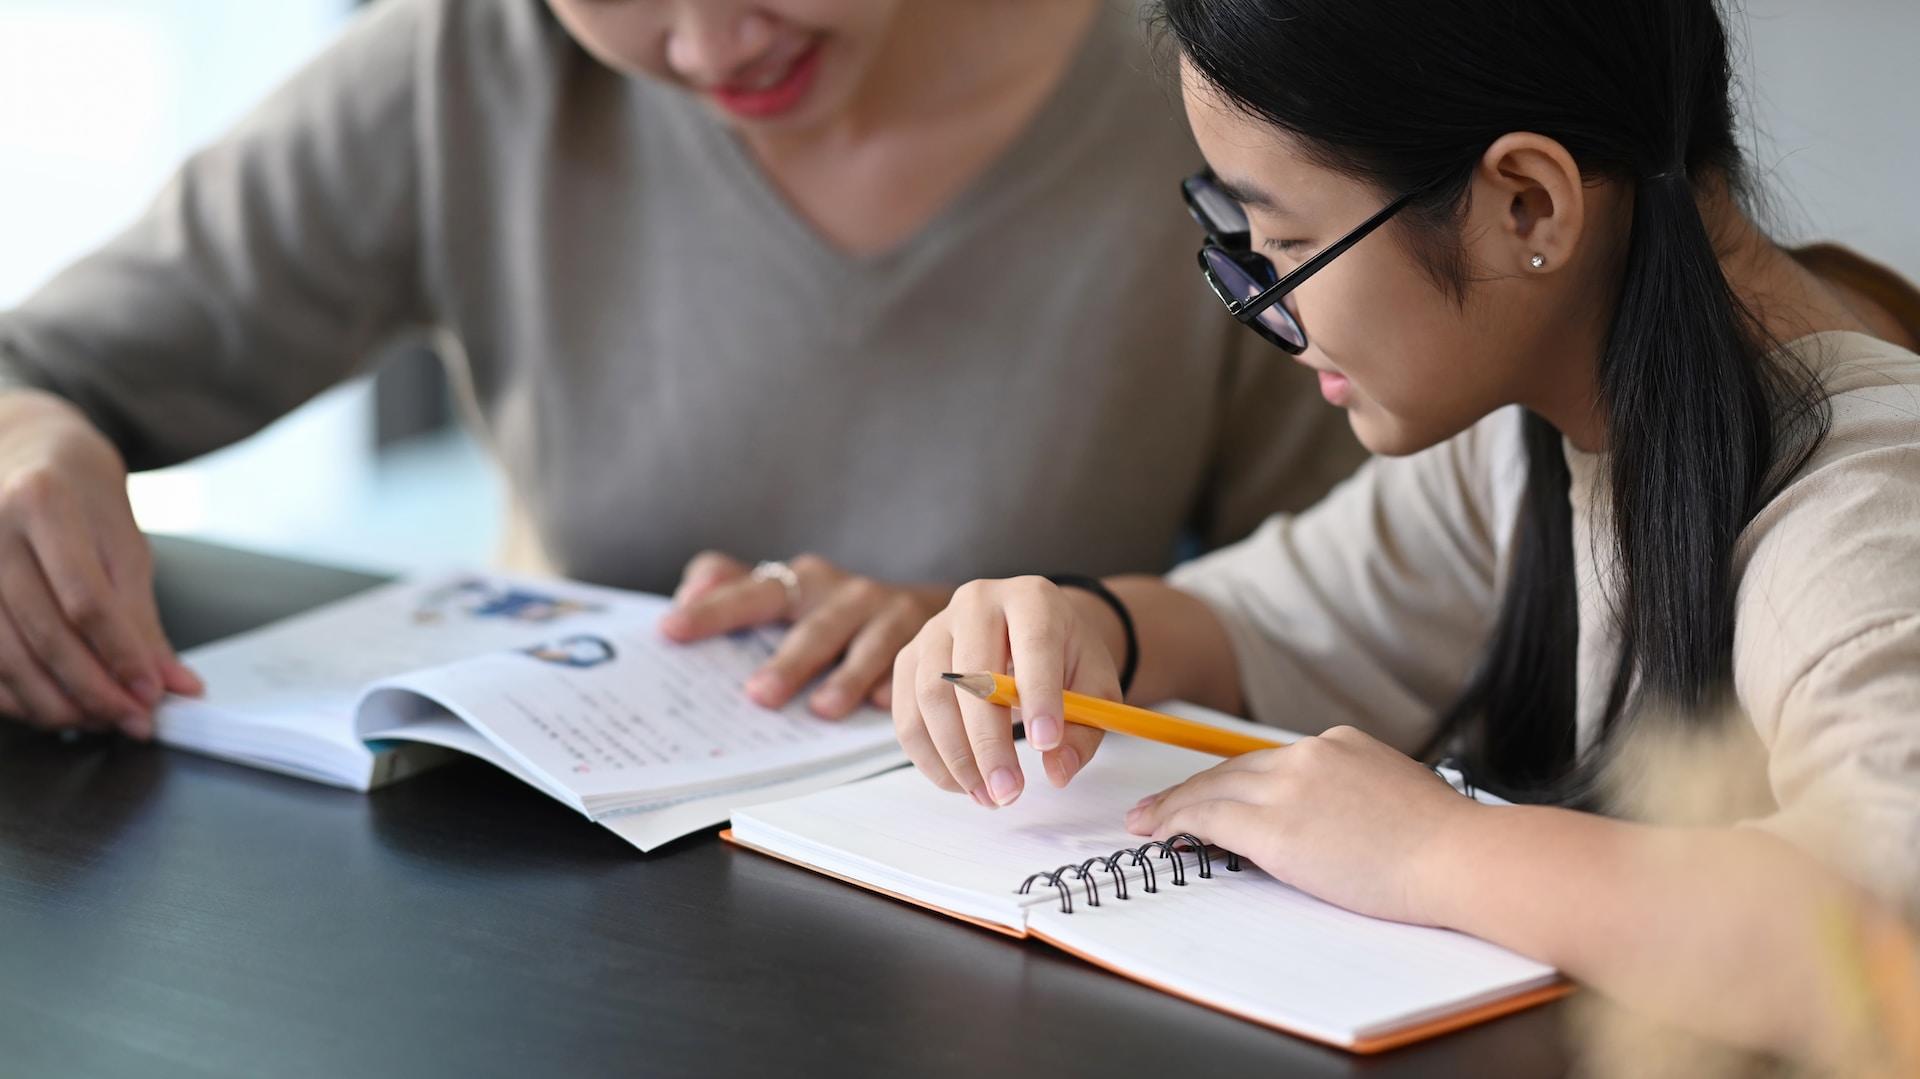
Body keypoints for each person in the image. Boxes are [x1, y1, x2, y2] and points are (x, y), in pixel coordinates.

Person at [892, 0, 1920, 1056]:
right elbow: (1273, 620)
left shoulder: (1861, 508)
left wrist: (1434, 851)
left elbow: (1889, 936)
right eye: (1240, 235)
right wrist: (1080, 628)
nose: (1264, 305)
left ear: (1528, 207)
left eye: (1288, 241)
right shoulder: (1538, 417)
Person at [0, 0, 1365, 739]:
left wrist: (1030, 636)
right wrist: (27, 431)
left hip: (1020, 925)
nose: (710, 46)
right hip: (564, 907)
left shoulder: (1215, 96)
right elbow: (38, 364)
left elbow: (1376, 616)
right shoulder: (469, 65)